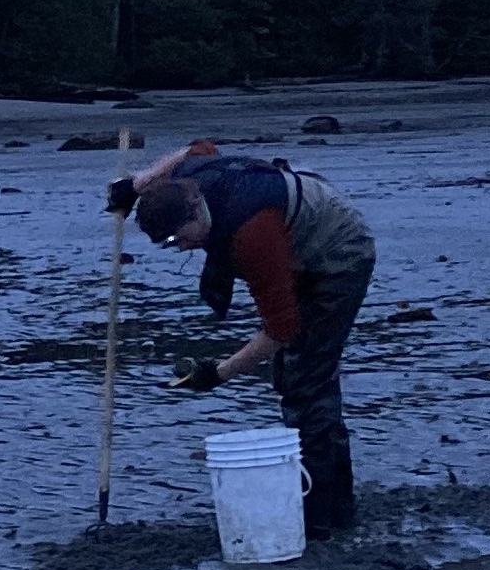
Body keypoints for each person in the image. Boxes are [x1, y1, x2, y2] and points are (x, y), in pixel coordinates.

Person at [108, 139, 376, 538]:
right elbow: (196, 148)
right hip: (290, 238)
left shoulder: (252, 237)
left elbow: (282, 329)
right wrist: (137, 183)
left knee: (306, 383)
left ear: (195, 210)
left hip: (337, 251)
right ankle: (331, 502)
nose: (178, 248)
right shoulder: (186, 179)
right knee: (296, 377)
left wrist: (218, 373)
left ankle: (326, 519)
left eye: (174, 239)